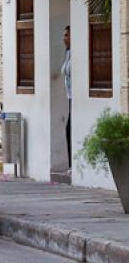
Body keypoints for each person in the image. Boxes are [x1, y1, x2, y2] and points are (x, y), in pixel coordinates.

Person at [61, 25, 72, 172]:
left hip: (74, 97)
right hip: (70, 96)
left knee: (70, 128)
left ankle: (72, 165)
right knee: (69, 128)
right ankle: (71, 165)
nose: (64, 38)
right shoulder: (68, 53)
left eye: (67, 35)